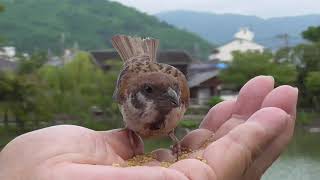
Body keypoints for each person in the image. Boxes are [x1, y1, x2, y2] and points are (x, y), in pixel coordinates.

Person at [0, 76, 298, 180]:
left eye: (174, 96)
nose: (171, 99)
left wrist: (175, 140)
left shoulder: (175, 94)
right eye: (159, 95)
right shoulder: (128, 94)